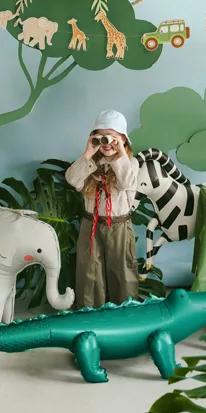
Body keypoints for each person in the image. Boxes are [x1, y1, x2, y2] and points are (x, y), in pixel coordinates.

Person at [65, 110, 139, 308]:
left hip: (119, 225)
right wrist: (89, 153)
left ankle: (125, 313)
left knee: (122, 271)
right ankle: (90, 312)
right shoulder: (90, 164)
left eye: (112, 137)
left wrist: (120, 151)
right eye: (101, 137)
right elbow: (72, 179)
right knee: (89, 273)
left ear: (123, 139)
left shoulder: (130, 163)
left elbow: (125, 183)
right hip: (91, 224)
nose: (106, 143)